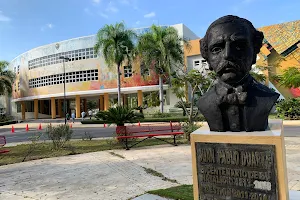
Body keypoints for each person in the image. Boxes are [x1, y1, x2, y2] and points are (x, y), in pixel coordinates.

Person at [197, 15, 279, 132]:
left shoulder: (268, 97)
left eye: (239, 46)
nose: (227, 55)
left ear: (254, 53)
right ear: (208, 59)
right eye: (216, 49)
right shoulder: (204, 102)